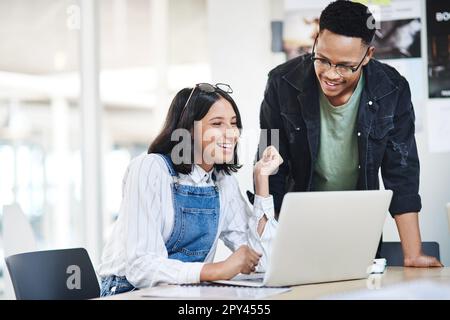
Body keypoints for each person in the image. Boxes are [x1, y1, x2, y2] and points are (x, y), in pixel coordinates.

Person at [256, 0, 442, 267]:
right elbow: (269, 167)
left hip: (360, 229)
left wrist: (412, 254)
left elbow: (402, 173)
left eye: (345, 66)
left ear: (368, 55)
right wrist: (265, 248)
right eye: (322, 59)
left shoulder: (392, 89)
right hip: (296, 226)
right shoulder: (281, 83)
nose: (331, 74)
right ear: (317, 39)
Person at [98, 83, 283, 296]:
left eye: (233, 124)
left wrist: (262, 181)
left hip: (182, 293)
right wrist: (215, 270)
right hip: (128, 292)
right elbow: (141, 266)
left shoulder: (222, 181)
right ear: (189, 131)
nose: (231, 133)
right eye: (217, 123)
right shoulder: (150, 168)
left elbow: (262, 262)